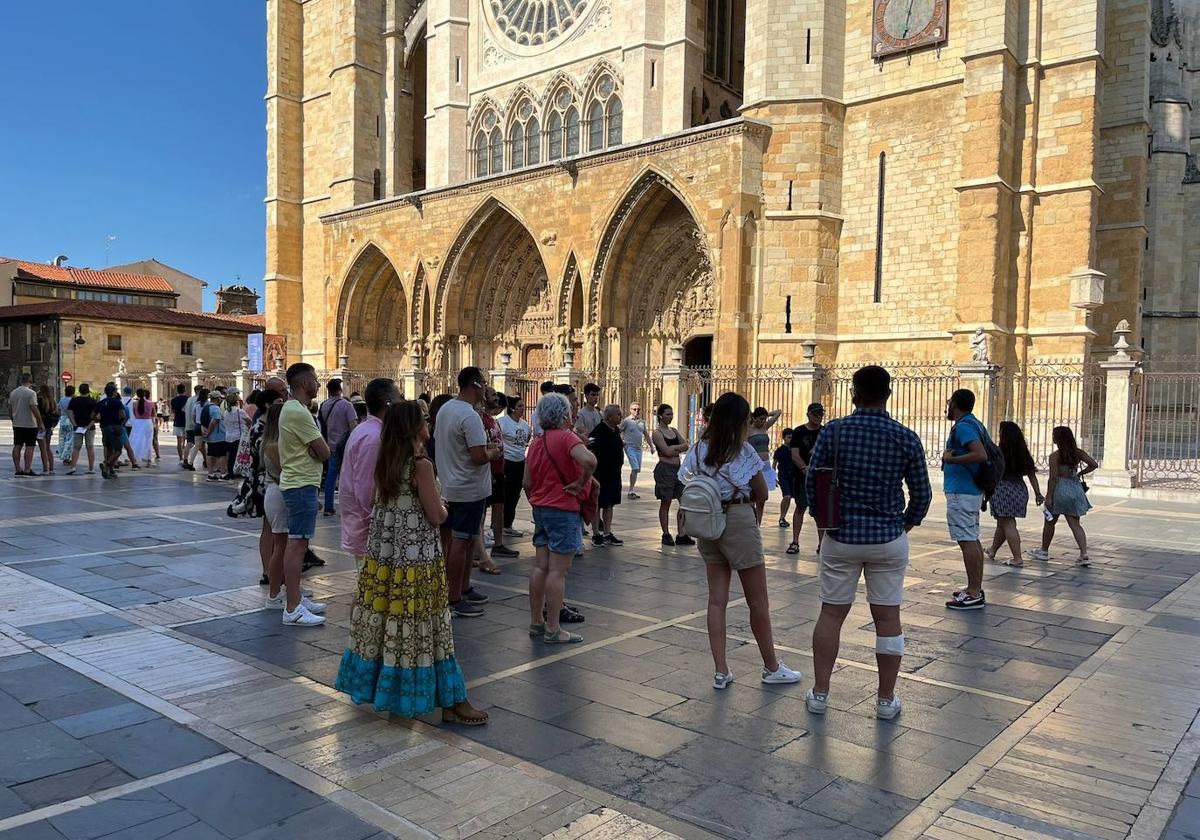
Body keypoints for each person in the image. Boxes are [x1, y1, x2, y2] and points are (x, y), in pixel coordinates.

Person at [335, 400, 488, 725]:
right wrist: (445, 508)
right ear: (414, 427)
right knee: (430, 627)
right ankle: (451, 700)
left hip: (386, 558)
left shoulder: (387, 460)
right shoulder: (420, 464)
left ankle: (400, 694)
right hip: (417, 559)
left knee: (389, 624)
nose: (428, 424)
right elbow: (435, 515)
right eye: (424, 420)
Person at [802, 365, 932, 720]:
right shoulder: (905, 437)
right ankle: (886, 699)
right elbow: (922, 493)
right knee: (888, 618)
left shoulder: (835, 432)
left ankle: (820, 693)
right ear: (888, 395)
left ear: (854, 394)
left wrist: (823, 518)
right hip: (888, 538)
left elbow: (813, 481)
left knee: (831, 614)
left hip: (841, 536)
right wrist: (904, 524)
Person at [679, 392, 802, 690]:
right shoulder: (742, 451)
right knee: (757, 600)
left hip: (707, 522)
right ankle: (771, 666)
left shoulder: (698, 449)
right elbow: (761, 492)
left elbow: (686, 479)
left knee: (716, 600)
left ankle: (721, 670)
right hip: (737, 520)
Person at [524, 393, 597, 643]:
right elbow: (590, 460)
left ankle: (536, 621)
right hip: (562, 509)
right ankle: (553, 628)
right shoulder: (567, 437)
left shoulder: (537, 442)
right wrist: (580, 482)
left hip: (541, 509)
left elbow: (526, 482)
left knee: (540, 567)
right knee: (558, 571)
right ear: (564, 414)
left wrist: (537, 500)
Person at [433, 367, 502, 618]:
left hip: (453, 484)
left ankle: (464, 587)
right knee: (461, 544)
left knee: (467, 540)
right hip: (469, 489)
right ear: (475, 384)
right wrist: (493, 451)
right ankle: (454, 597)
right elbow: (478, 456)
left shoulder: (446, 409)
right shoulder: (469, 416)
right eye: (484, 383)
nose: (486, 388)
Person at [274, 363, 330, 626]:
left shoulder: (294, 409)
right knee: (297, 546)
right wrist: (317, 451)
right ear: (304, 381)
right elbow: (325, 451)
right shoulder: (298, 412)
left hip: (299, 482)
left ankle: (295, 598)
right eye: (315, 379)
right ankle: (293, 607)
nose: (318, 384)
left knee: (299, 544)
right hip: (300, 484)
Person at [340, 378, 398, 563]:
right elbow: (366, 487)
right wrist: (375, 521)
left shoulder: (367, 430)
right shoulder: (374, 438)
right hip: (368, 528)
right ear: (387, 403)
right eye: (398, 397)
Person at [942, 389, 989, 611]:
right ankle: (975, 588)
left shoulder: (964, 426)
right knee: (972, 539)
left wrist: (952, 459)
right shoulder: (975, 423)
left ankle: (973, 593)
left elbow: (980, 454)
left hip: (962, 491)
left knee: (966, 541)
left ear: (955, 404)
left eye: (950, 402)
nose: (947, 406)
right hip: (969, 491)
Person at [1028, 426, 1098, 567]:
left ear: (1058, 439)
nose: (1052, 437)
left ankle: (1044, 550)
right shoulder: (1078, 453)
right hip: (1074, 487)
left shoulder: (1055, 456)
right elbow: (1094, 464)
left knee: (1050, 522)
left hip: (1060, 489)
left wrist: (1049, 496)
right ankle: (1084, 553)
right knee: (1075, 524)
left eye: (1054, 435)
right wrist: (1080, 473)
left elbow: (1053, 478)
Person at [985, 421, 1043, 567]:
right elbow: (1031, 475)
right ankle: (992, 550)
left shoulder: (999, 452)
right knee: (1002, 522)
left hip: (1002, 489)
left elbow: (991, 472)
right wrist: (1037, 493)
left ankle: (1017, 558)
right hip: (1019, 489)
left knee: (1008, 523)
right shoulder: (1023, 453)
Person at [482, 388, 517, 559]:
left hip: (497, 469)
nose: (497, 398)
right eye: (493, 395)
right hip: (487, 470)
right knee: (482, 510)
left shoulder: (492, 420)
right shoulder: (480, 418)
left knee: (499, 506)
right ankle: (479, 546)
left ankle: (498, 543)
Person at [787, 403, 826, 555]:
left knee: (820, 511)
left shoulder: (824, 431)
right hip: (802, 476)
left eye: (820, 414)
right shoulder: (798, 432)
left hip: (821, 476)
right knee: (800, 507)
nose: (818, 417)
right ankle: (795, 541)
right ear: (808, 414)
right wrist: (805, 469)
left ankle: (822, 543)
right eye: (815, 414)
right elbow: (795, 455)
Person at [652, 404, 692, 546]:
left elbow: (685, 445)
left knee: (684, 501)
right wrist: (675, 449)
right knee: (666, 502)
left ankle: (681, 534)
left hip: (678, 469)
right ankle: (666, 533)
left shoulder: (674, 430)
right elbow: (666, 452)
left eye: (672, 414)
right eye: (668, 414)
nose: (670, 417)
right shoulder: (657, 433)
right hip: (665, 469)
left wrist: (672, 449)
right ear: (661, 416)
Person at [318, 378, 359, 515]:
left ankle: (328, 507)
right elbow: (353, 426)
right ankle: (349, 506)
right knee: (347, 477)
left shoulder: (323, 405)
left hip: (330, 445)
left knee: (331, 476)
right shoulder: (347, 405)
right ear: (340, 390)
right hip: (345, 446)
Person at [587, 404, 626, 546]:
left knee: (610, 503)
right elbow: (590, 448)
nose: (621, 417)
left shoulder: (615, 430)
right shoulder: (599, 430)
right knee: (598, 503)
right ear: (609, 417)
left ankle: (607, 533)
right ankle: (596, 533)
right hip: (600, 473)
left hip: (614, 473)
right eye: (619, 414)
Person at [498, 394, 531, 538]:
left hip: (519, 462)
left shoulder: (524, 424)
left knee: (515, 495)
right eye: (519, 406)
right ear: (511, 408)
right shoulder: (502, 422)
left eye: (523, 406)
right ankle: (500, 524)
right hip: (507, 461)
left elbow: (528, 438)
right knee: (504, 494)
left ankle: (508, 524)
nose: (522, 409)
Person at [746, 407, 783, 524]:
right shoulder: (749, 430)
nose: (763, 421)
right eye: (761, 419)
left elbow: (778, 413)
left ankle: (758, 524)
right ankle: (751, 522)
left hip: (765, 465)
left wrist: (767, 414)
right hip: (753, 465)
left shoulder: (765, 427)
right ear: (754, 418)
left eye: (764, 419)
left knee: (762, 498)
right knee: (752, 496)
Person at [9, 373, 43, 477]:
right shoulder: (31, 393)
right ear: (30, 381)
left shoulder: (13, 392)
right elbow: (33, 408)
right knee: (29, 446)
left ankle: (18, 469)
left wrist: (13, 419)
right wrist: (40, 422)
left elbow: (10, 408)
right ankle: (27, 469)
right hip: (29, 424)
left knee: (17, 445)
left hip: (17, 423)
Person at [620, 403, 653, 498]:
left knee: (637, 469)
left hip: (639, 448)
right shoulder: (626, 421)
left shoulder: (642, 422)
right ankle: (630, 491)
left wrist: (651, 446)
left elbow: (646, 434)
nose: (636, 411)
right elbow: (618, 431)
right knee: (635, 467)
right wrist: (621, 442)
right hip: (629, 447)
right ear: (630, 410)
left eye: (638, 409)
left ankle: (632, 489)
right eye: (634, 409)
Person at [95, 383, 128, 480]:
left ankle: (110, 469)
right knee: (118, 450)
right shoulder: (117, 402)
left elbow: (93, 415)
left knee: (108, 448)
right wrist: (121, 423)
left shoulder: (100, 403)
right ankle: (107, 465)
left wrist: (100, 420)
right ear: (114, 392)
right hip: (115, 427)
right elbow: (123, 415)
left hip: (104, 427)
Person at [65, 383, 97, 475]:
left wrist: (74, 424)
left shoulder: (74, 400)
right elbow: (96, 415)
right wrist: (89, 425)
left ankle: (73, 467)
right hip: (90, 427)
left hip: (77, 427)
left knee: (76, 448)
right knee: (90, 447)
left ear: (79, 390)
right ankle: (91, 468)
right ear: (88, 390)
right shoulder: (93, 401)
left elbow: (70, 413)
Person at [201, 390, 229, 482]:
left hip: (210, 437)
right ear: (217, 398)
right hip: (218, 435)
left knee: (210, 454)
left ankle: (210, 474)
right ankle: (223, 474)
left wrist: (206, 433)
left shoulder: (206, 407)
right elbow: (214, 421)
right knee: (222, 455)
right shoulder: (216, 409)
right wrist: (209, 432)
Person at [223, 390, 250, 479]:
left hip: (228, 437)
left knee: (230, 456)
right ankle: (239, 471)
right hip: (238, 436)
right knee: (239, 455)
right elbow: (249, 421)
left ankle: (230, 472)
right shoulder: (240, 411)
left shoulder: (226, 412)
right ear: (237, 402)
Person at [129, 388, 156, 467]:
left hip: (138, 422)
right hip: (147, 422)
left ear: (137, 394)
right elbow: (153, 414)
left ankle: (135, 459)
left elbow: (134, 413)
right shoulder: (151, 403)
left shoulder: (134, 403)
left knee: (136, 440)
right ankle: (148, 459)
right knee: (148, 441)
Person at [773, 428, 794, 530]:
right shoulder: (779, 451)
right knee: (787, 496)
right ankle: (781, 517)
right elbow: (774, 464)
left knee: (789, 497)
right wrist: (773, 477)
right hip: (783, 475)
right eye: (789, 437)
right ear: (784, 438)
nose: (791, 439)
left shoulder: (794, 450)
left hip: (792, 475)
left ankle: (783, 517)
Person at [36, 385, 59, 475]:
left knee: (43, 449)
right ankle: (52, 468)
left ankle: (45, 469)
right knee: (48, 448)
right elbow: (56, 414)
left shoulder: (39, 400)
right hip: (49, 426)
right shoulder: (52, 401)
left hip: (41, 426)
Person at [178, 384, 199, 469]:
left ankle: (185, 460)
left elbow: (183, 409)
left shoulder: (189, 399)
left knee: (189, 443)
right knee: (197, 444)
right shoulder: (198, 400)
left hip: (188, 424)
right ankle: (190, 462)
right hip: (196, 424)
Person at [55, 385, 76, 464]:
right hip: (70, 420)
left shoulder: (62, 399)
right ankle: (66, 457)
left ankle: (61, 451)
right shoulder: (73, 400)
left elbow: (58, 408)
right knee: (69, 440)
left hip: (63, 419)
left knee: (62, 438)